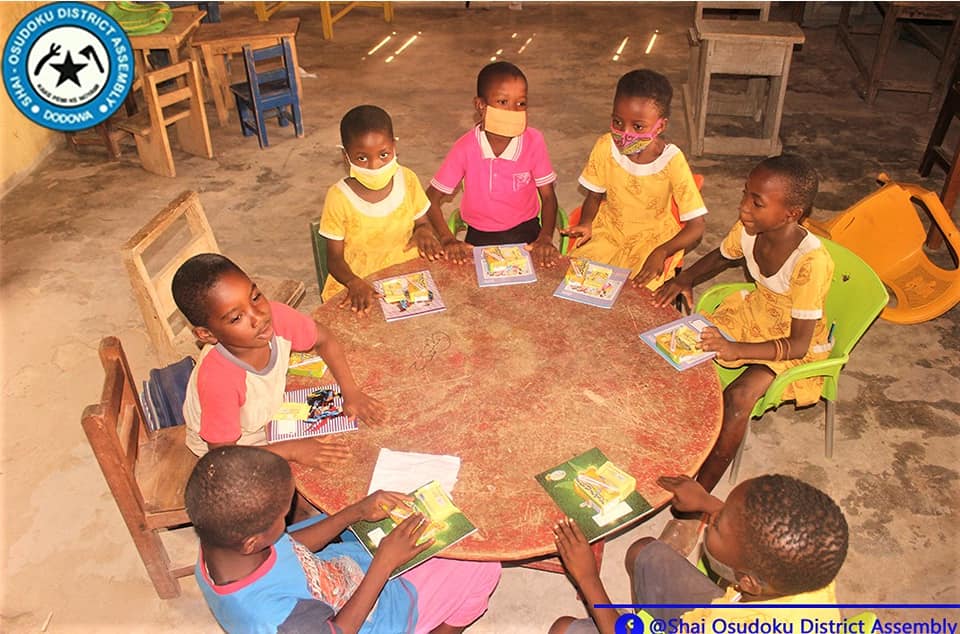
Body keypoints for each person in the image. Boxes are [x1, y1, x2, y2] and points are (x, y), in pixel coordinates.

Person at [654, 154, 832, 494]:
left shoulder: (811, 262)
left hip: (790, 343)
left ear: (791, 213)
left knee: (737, 398)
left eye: (757, 202)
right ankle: (675, 438)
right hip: (755, 313)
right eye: (745, 194)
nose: (743, 208)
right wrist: (685, 279)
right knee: (671, 346)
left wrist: (736, 349)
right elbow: (722, 256)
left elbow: (797, 345)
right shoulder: (751, 229)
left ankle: (699, 496)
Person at [186, 445, 502, 634]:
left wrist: (355, 512)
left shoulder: (223, 543)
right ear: (252, 542)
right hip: (372, 617)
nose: (289, 518)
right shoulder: (279, 621)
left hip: (343, 572)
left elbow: (291, 546)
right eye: (283, 516)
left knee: (413, 523)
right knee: (481, 565)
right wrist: (384, 564)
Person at [550, 474, 848, 634]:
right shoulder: (806, 570)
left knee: (562, 630)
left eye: (716, 526)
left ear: (747, 582)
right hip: (717, 611)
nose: (712, 519)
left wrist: (588, 579)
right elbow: (759, 540)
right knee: (644, 553)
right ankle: (642, 620)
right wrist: (707, 502)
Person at [172, 253, 385, 468]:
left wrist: (351, 391)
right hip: (235, 447)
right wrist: (292, 450)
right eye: (236, 318)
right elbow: (223, 457)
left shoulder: (278, 317)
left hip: (265, 415)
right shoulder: (219, 380)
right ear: (207, 334)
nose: (259, 317)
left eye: (255, 297)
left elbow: (324, 339)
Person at [560, 69, 706, 288]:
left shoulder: (671, 161)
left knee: (637, 293)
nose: (624, 134)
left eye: (638, 127)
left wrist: (661, 252)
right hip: (609, 230)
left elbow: (697, 226)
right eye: (617, 122)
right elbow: (594, 196)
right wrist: (587, 222)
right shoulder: (605, 146)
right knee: (578, 280)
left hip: (652, 240)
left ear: (660, 126)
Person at [419, 61, 560, 267]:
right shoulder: (465, 147)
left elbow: (548, 196)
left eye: (521, 104)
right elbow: (430, 198)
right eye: (503, 102)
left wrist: (545, 237)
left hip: (527, 232)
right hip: (479, 237)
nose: (513, 111)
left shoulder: (533, 141)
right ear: (480, 106)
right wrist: (447, 239)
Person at [320, 104, 439, 315]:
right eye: (362, 158)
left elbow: (422, 223)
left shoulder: (407, 179)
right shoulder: (338, 197)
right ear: (346, 156)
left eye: (383, 154)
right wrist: (353, 282)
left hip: (405, 276)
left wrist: (423, 232)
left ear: (394, 146)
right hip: (359, 283)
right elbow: (334, 259)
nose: (375, 166)